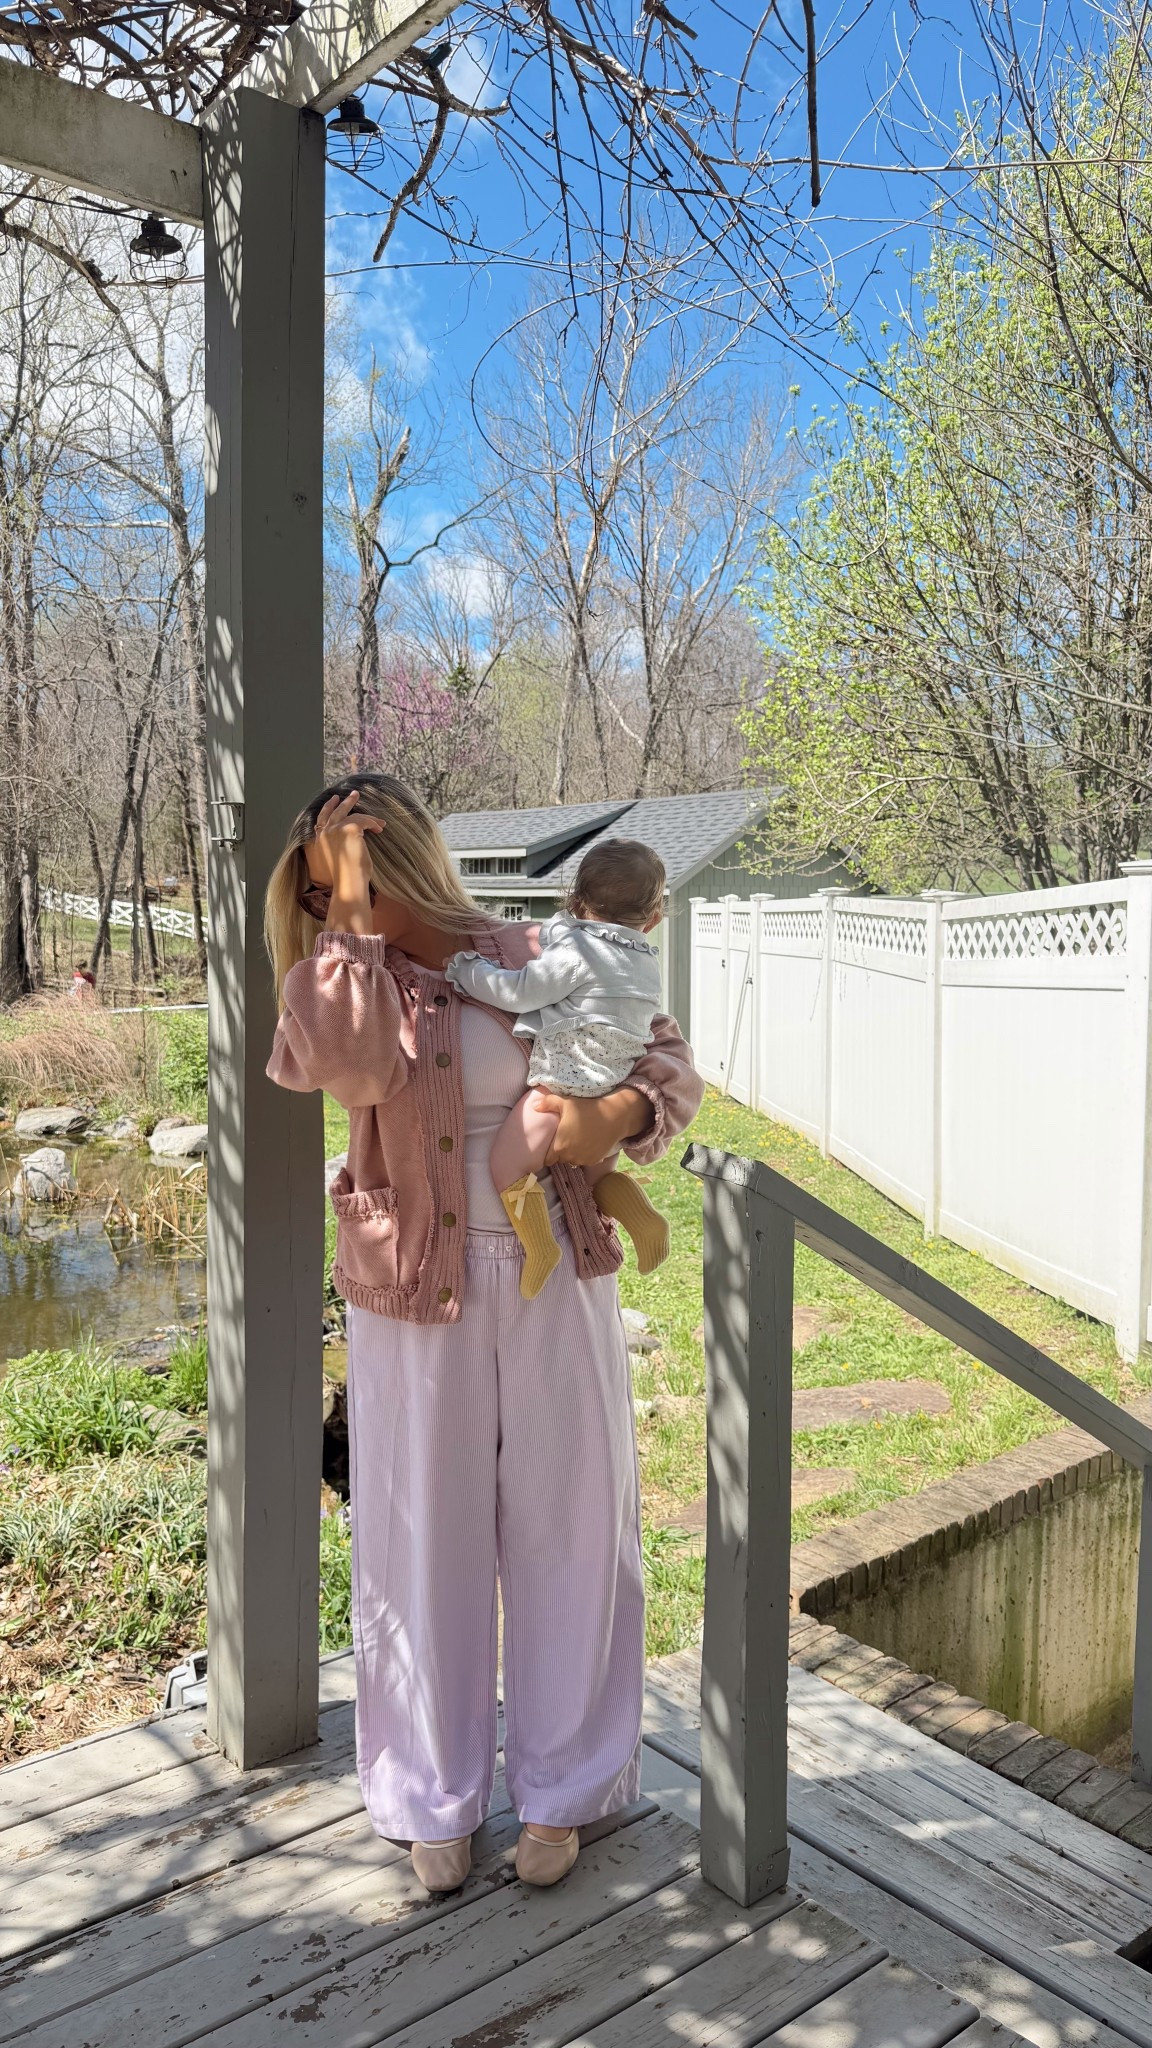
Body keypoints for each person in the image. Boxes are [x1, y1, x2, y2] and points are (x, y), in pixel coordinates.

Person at [264, 772, 704, 1898]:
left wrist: (616, 1113)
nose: (328, 909)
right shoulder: (343, 981)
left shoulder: (533, 949)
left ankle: (566, 1786)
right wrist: (349, 928)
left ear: (403, 860)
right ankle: (430, 1789)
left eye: (344, 883)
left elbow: (667, 1060)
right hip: (411, 1288)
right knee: (420, 1535)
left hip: (556, 1269)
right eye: (315, 896)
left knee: (574, 1523)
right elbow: (347, 1066)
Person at [444, 838, 670, 1298]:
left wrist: (469, 972)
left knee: (507, 1167)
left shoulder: (579, 951)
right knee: (597, 1177)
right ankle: (644, 1219)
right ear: (652, 919)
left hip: (562, 1086)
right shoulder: (644, 961)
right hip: (615, 1084)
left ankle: (539, 1246)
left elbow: (519, 992)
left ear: (577, 902)